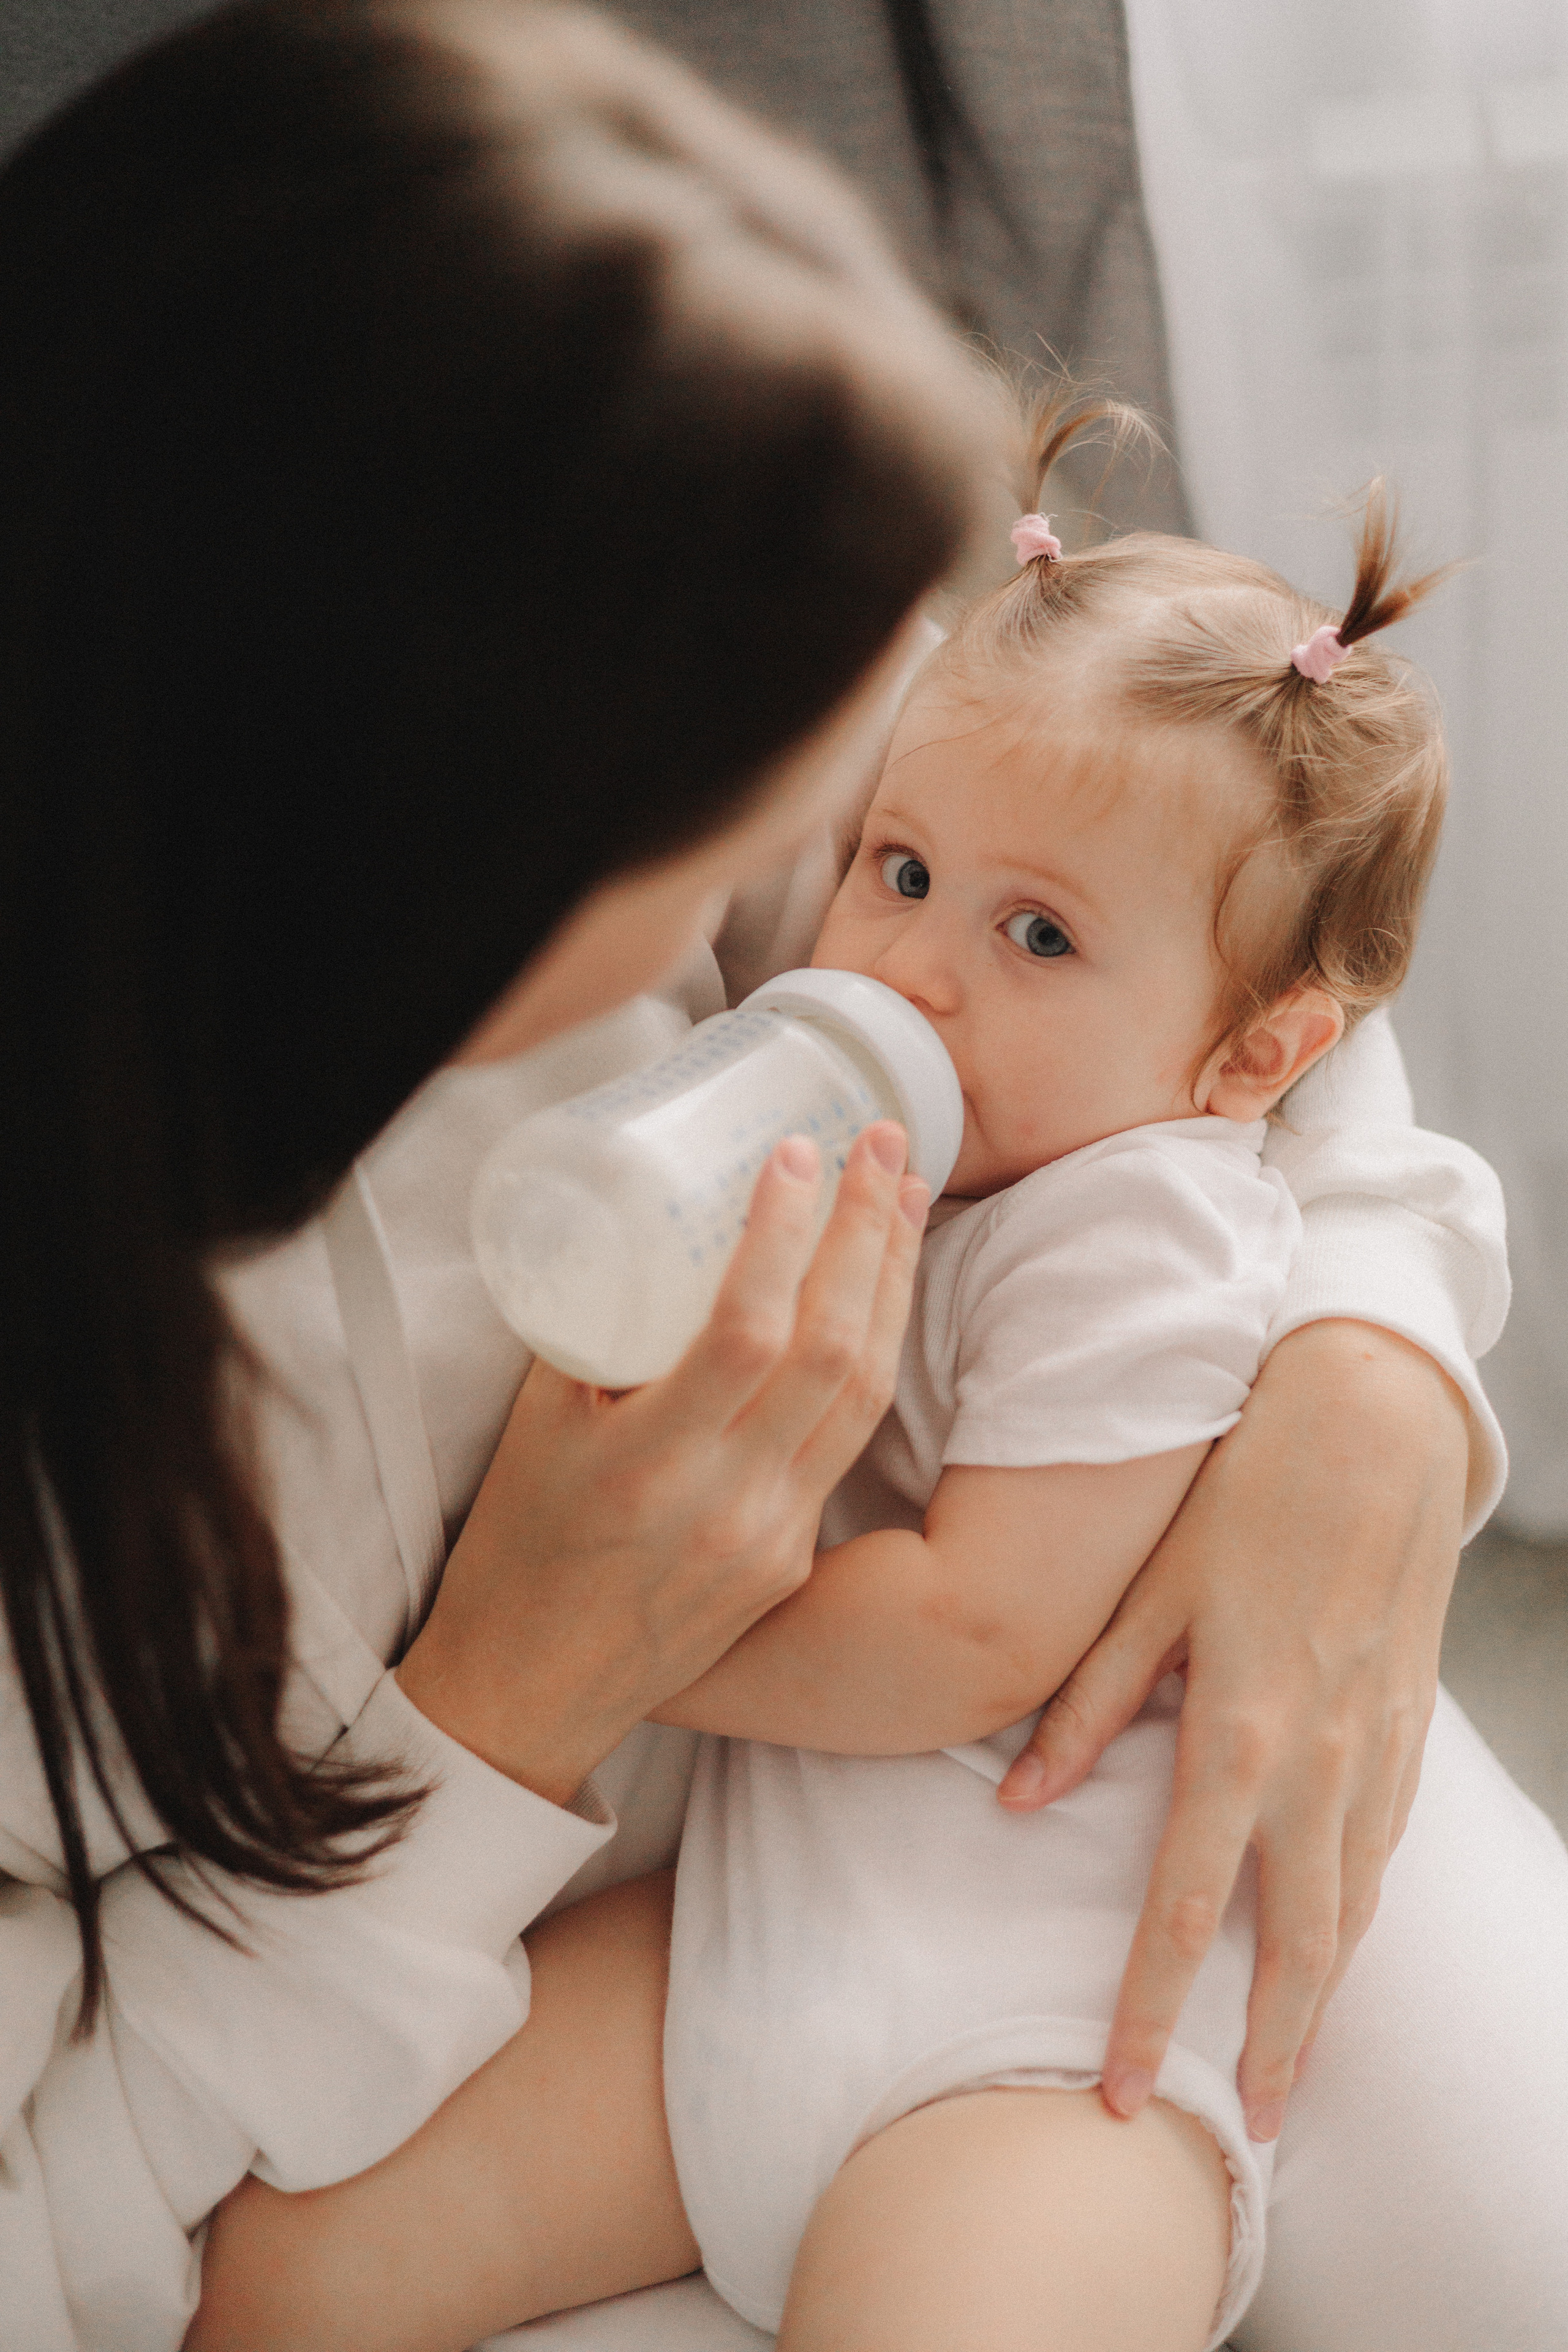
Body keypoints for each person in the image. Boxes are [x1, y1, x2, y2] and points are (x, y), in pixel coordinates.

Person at [0, 9, 1553, 2352]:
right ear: (453, 837)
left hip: (1061, 1918)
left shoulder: (730, 828)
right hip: (539, 1987)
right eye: (848, 832)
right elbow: (67, 2239)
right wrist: (526, 1682)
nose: (866, 915)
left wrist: (1376, 1357)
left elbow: (1196, 947)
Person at [656, 427, 1448, 2352]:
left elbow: (978, 1625)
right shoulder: (922, 1151)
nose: (914, 971)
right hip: (739, 1963)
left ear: (1251, 1057)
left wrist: (620, 1632)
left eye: (1037, 935)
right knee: (290, 2271)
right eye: (901, 870)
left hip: (1026, 2046)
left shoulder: (1140, 1223)